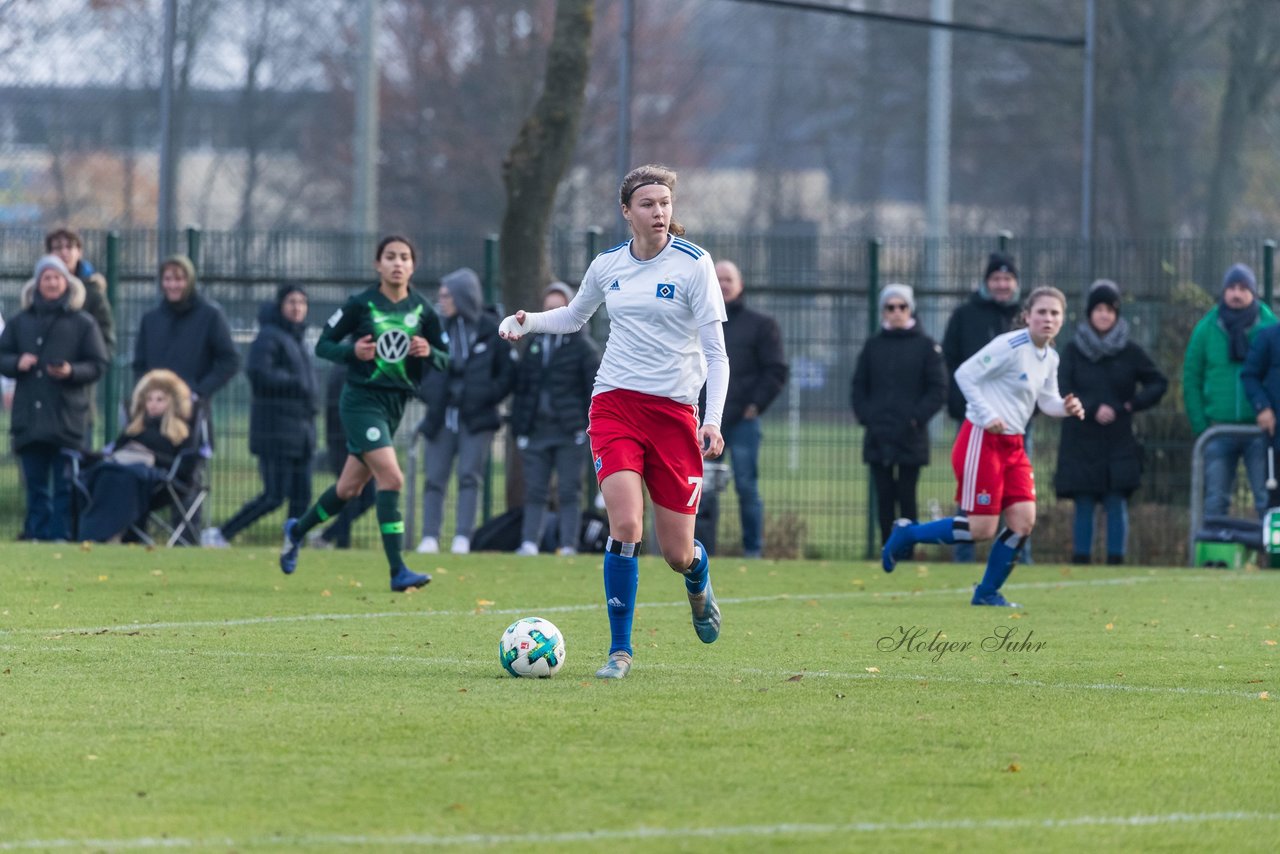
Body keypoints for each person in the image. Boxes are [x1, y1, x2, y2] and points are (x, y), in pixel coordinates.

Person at [499, 163, 729, 679]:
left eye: (665, 204)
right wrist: (528, 322)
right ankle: (619, 652)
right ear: (626, 212)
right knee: (625, 525)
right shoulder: (608, 265)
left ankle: (698, 577)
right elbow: (575, 316)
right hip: (615, 405)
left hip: (674, 416)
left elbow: (717, 353)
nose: (659, 213)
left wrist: (710, 420)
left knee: (675, 553)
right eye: (647, 204)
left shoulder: (694, 264)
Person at [881, 287, 1085, 607]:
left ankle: (987, 592)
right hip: (981, 439)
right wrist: (987, 413)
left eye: (1054, 313)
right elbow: (964, 374)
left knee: (1023, 522)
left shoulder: (1050, 357)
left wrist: (1066, 408)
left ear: (1062, 319)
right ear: (1027, 315)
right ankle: (907, 534)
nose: (1048, 318)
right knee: (981, 528)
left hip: (1014, 445)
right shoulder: (1010, 345)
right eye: (1042, 312)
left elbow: (1046, 401)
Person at [278, 235, 448, 592]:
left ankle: (296, 530)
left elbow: (446, 358)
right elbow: (324, 344)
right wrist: (352, 351)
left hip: (394, 406)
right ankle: (397, 571)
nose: (397, 263)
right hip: (359, 401)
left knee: (348, 488)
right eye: (390, 257)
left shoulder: (423, 310)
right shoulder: (361, 304)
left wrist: (428, 350)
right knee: (393, 479)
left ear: (413, 266)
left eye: (404, 257)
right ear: (378, 264)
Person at [1054, 280, 1168, 564]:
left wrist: (1129, 406)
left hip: (1118, 440)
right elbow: (1061, 385)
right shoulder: (1072, 351)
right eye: (1099, 309)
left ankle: (1116, 560)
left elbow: (1158, 382)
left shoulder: (1130, 352)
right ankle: (1081, 559)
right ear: (1090, 312)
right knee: (1084, 502)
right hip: (1080, 438)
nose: (1104, 314)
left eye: (1110, 309)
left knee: (1116, 501)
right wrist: (1090, 409)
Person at [132, 253, 241, 541]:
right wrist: (147, 396)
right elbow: (139, 365)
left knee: (188, 480)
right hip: (153, 417)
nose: (173, 284)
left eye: (179, 278)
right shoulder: (151, 319)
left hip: (191, 417)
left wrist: (197, 392)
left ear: (189, 280)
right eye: (168, 278)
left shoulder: (210, 316)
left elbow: (229, 361)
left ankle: (186, 539)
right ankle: (136, 533)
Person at [0, 255, 108, 540]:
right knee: (35, 485)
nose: (51, 282)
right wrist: (16, 363)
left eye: (56, 277)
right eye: (45, 277)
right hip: (29, 418)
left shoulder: (83, 323)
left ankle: (63, 535)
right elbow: (2, 357)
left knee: (65, 485)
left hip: (66, 418)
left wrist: (72, 371)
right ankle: (36, 534)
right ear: (37, 283)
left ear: (67, 282)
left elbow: (98, 363)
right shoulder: (20, 322)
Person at [202, 285, 318, 547]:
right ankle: (222, 534)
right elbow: (258, 374)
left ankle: (293, 541)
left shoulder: (298, 339)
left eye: (302, 302)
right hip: (275, 430)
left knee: (302, 494)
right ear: (280, 305)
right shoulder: (269, 336)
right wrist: (295, 384)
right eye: (291, 301)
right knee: (274, 495)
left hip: (302, 431)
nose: (297, 307)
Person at [414, 267, 516, 555]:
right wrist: (433, 395)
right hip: (441, 417)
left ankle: (462, 537)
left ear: (463, 296)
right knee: (434, 477)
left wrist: (485, 396)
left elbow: (507, 374)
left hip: (477, 419)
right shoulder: (434, 329)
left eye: (447, 295)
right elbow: (418, 370)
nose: (441, 300)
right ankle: (430, 537)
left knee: (470, 477)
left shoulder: (491, 330)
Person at [697, 259, 789, 558]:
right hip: (704, 421)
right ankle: (701, 551)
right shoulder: (699, 321)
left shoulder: (760, 325)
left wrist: (755, 405)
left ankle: (753, 550)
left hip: (743, 421)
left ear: (740, 285)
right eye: (718, 279)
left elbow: (776, 370)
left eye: (729, 279)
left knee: (747, 488)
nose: (723, 284)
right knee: (701, 490)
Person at [850, 283, 947, 549]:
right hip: (879, 433)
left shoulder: (927, 346)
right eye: (890, 307)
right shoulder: (873, 345)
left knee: (906, 494)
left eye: (901, 306)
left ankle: (906, 549)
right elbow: (859, 385)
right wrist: (867, 416)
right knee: (883, 495)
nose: (896, 312)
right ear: (883, 311)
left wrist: (916, 419)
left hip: (910, 434)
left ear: (910, 309)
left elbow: (938, 389)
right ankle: (886, 547)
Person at [509, 280, 601, 556]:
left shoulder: (583, 346)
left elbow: (592, 389)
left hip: (569, 431)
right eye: (548, 308)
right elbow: (523, 387)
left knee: (569, 491)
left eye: (558, 308)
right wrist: (520, 426)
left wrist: (583, 427)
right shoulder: (534, 343)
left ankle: (569, 543)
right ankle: (529, 542)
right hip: (537, 430)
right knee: (535, 490)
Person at [942, 252, 1024, 562]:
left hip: (1015, 421)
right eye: (996, 279)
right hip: (975, 419)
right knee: (972, 487)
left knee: (1015, 492)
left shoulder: (1025, 318)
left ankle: (1014, 556)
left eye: (1007, 279)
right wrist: (957, 403)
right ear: (986, 282)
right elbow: (951, 363)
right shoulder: (965, 315)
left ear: (1015, 283)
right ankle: (963, 555)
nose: (1002, 284)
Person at [1183, 263, 1277, 519]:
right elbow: (1191, 377)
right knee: (1215, 500)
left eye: (1243, 288)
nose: (1237, 294)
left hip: (1260, 430)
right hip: (1218, 430)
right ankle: (1214, 558)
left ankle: (1269, 558)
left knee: (1266, 499)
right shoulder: (1206, 328)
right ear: (1224, 291)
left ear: (1253, 292)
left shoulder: (1270, 326)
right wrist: (1202, 426)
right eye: (1232, 288)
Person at [77, 370, 197, 543]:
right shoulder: (134, 430)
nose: (153, 404)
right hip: (120, 470)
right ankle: (96, 534)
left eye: (159, 399)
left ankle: (112, 533)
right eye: (149, 399)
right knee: (105, 472)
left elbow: (185, 470)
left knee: (127, 476)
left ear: (172, 401)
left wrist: (151, 456)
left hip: (157, 480)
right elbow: (113, 454)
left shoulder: (181, 433)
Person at [307, 364, 376, 549]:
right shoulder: (349, 370)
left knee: (354, 496)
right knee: (360, 495)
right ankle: (327, 537)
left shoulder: (347, 367)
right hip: (347, 445)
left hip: (346, 444)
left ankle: (332, 539)